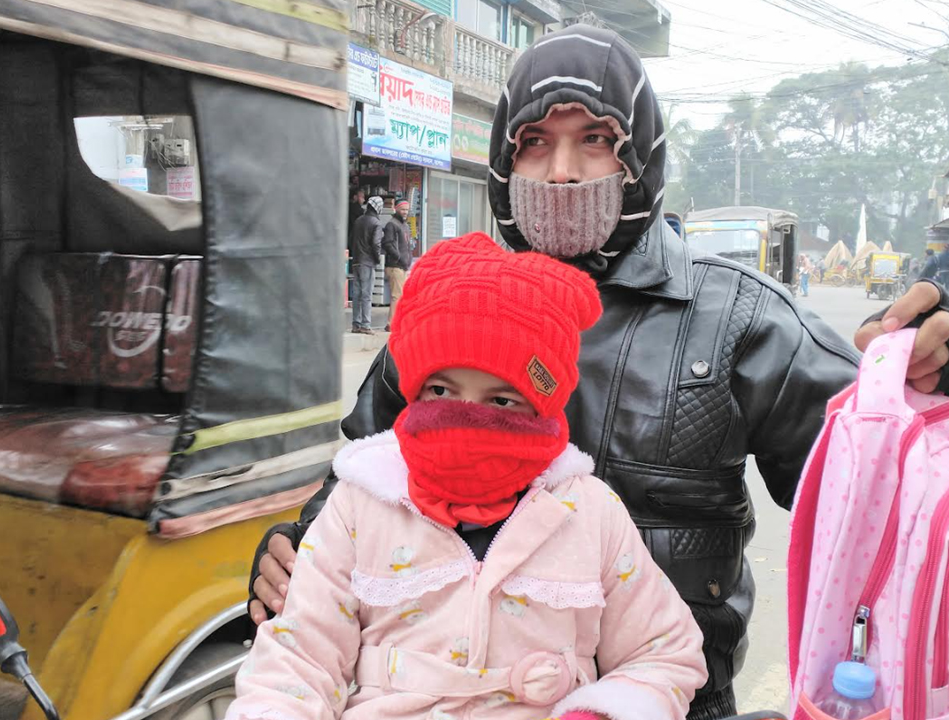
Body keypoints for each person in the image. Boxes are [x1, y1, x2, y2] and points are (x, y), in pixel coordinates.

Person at [250, 25, 949, 719]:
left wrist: (935, 370)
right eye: (534, 143)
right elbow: (365, 477)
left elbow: (884, 485)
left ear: (642, 157)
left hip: (677, 701)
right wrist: (295, 546)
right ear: (506, 165)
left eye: (595, 140)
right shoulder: (452, 314)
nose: (562, 171)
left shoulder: (737, 319)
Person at [227, 234, 709, 720]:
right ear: (413, 391)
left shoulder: (588, 512)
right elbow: (295, 664)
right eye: (441, 390)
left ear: (542, 405)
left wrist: (604, 711)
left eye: (502, 401)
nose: (468, 418)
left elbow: (663, 651)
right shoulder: (360, 507)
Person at [349, 196, 385, 335]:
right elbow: (376, 244)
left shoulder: (358, 220)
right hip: (368, 262)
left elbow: (351, 239)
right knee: (367, 294)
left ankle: (356, 324)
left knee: (357, 293)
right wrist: (377, 259)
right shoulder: (376, 223)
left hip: (356, 260)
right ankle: (366, 324)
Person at [382, 199, 415, 332]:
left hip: (403, 266)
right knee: (397, 296)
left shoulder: (404, 225)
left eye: (407, 210)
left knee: (401, 296)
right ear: (396, 209)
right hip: (395, 266)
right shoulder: (392, 224)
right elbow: (388, 244)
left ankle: (398, 322)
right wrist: (400, 257)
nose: (405, 212)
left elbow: (407, 245)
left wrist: (408, 260)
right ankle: (391, 323)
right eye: (403, 209)